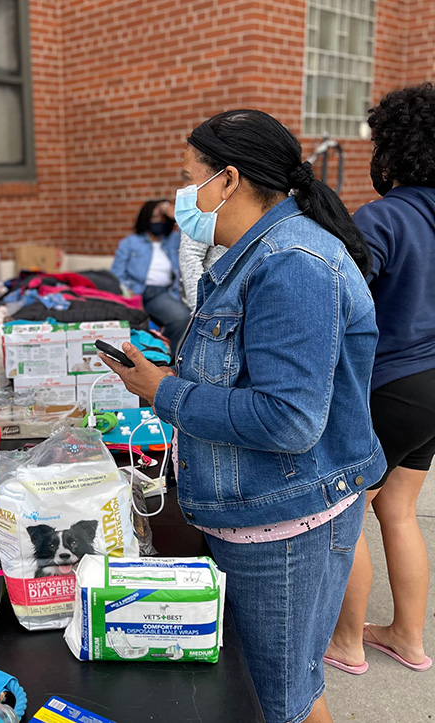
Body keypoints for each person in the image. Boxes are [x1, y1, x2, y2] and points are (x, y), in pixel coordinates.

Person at [100, 109, 385, 723]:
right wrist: (170, 376)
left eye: (188, 177)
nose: (182, 195)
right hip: (257, 512)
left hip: (283, 523)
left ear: (228, 181)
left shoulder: (292, 263)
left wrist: (166, 395)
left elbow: (288, 419)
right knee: (278, 691)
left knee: (282, 699)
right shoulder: (256, 255)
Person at [325, 83, 435, 675]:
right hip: (434, 392)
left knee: (344, 510)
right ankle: (407, 638)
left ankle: (346, 643)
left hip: (392, 384)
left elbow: (337, 297)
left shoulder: (386, 216)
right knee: (398, 508)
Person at [110, 199, 191, 352]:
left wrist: (172, 212)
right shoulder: (130, 243)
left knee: (184, 317)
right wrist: (127, 291)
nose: (158, 222)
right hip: (137, 291)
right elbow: (117, 273)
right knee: (179, 317)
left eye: (161, 218)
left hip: (164, 292)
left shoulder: (174, 240)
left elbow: (191, 232)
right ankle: (160, 352)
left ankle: (166, 354)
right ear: (146, 218)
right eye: (154, 217)